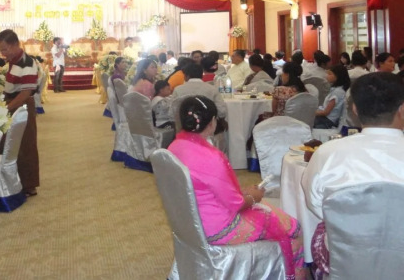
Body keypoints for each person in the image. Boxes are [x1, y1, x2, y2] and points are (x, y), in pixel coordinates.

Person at [169, 96, 305, 279]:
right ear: (212, 122)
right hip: (217, 229)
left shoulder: (174, 147)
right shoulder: (211, 158)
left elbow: (204, 189)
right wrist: (254, 197)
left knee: (266, 207)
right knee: (294, 229)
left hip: (189, 225)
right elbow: (236, 205)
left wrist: (244, 193)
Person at [302, 73, 404, 277]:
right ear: (402, 109)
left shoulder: (327, 153)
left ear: (355, 109)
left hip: (346, 261)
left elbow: (317, 206)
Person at [0, 29, 40, 197]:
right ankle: (13, 182)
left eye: (5, 49)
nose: (3, 53)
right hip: (12, 102)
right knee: (10, 144)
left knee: (25, 145)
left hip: (22, 106)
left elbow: (25, 93)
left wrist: (8, 109)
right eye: (0, 50)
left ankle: (29, 185)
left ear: (15, 45)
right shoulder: (14, 60)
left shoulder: (26, 62)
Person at [313, 64, 350, 128]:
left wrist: (311, 112)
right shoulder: (336, 89)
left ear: (338, 76)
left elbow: (326, 112)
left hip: (328, 121)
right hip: (326, 119)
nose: (327, 76)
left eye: (330, 74)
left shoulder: (337, 92)